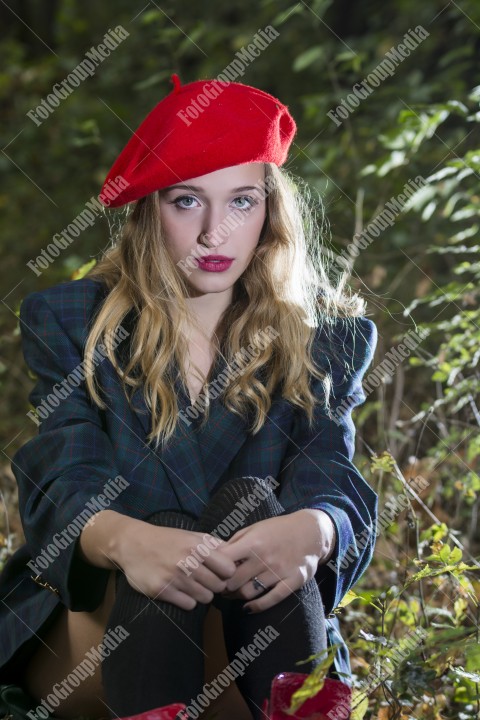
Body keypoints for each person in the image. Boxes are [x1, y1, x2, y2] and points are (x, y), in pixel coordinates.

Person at [0, 74, 377, 720]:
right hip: (99, 634)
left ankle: (307, 712)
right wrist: (125, 541)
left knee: (255, 505)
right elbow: (61, 477)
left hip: (252, 645)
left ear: (270, 211)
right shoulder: (71, 320)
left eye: (240, 202)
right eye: (185, 201)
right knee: (168, 536)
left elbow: (334, 478)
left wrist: (316, 530)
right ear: (150, 209)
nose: (213, 233)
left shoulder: (326, 343)